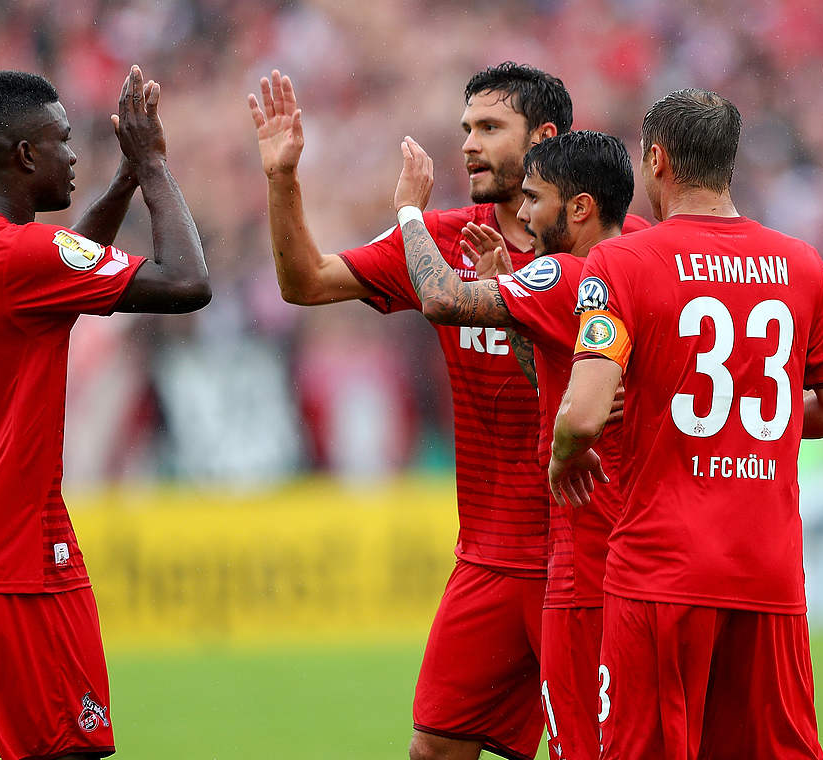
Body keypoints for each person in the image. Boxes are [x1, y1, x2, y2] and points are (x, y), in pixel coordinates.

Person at [249, 62, 640, 760]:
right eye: (466, 128)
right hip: (489, 559)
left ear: (545, 137)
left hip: (589, 553)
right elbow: (305, 283)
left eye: (490, 128)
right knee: (433, 749)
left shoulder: (624, 250)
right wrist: (282, 179)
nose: (468, 144)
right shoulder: (440, 241)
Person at [548, 89, 823, 760]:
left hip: (663, 571)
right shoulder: (802, 264)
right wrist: (754, 430)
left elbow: (580, 415)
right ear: (729, 163)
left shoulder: (622, 263)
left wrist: (561, 455)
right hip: (769, 575)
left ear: (656, 159)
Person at [0, 66, 209, 760]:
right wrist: (156, 163)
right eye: (64, 141)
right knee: (65, 751)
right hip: (15, 559)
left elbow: (62, 273)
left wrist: (126, 181)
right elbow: (187, 282)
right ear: (24, 156)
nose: (75, 156)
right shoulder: (19, 258)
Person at [391, 129, 639, 760]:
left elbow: (443, 298)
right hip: (642, 553)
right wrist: (515, 308)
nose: (522, 215)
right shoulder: (642, 270)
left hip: (588, 560)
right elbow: (558, 384)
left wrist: (409, 215)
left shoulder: (568, 274)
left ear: (578, 208)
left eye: (535, 199)